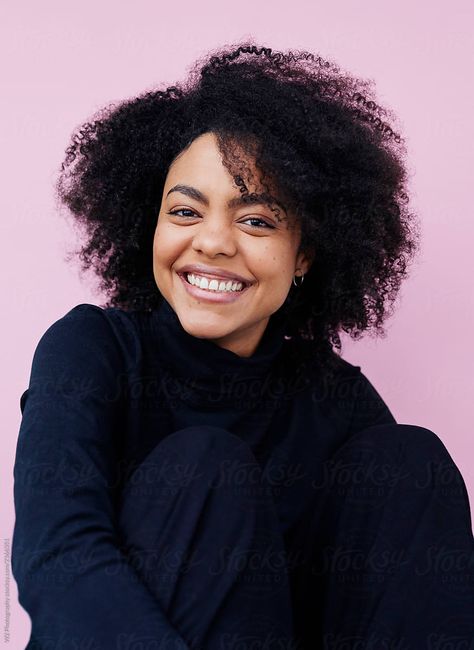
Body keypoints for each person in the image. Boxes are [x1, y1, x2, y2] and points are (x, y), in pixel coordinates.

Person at [12, 42, 474, 649]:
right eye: (184, 212)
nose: (213, 242)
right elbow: (57, 557)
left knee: (410, 464)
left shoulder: (336, 401)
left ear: (304, 254)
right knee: (206, 468)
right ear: (148, 225)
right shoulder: (91, 351)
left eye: (255, 220)